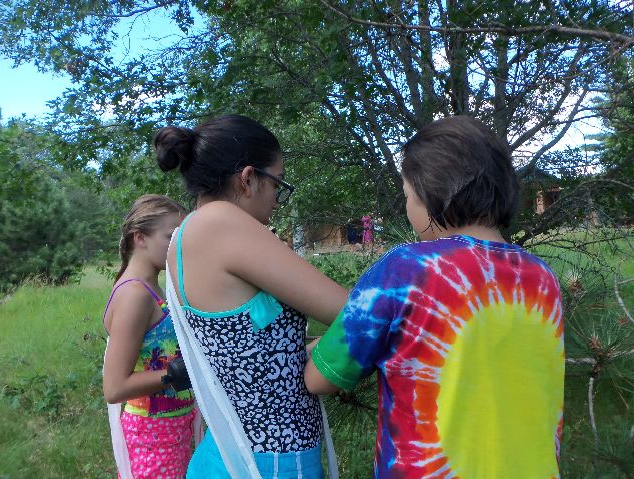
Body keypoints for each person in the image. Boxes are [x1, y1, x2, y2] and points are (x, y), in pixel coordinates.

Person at [305, 116, 565, 479]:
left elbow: (320, 378)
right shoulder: (542, 278)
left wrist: (313, 349)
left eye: (407, 195)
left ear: (432, 193)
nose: (407, 207)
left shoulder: (405, 269)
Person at [154, 114, 348, 478]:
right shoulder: (221, 223)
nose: (276, 201)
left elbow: (246, 359)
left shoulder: (190, 232)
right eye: (277, 183)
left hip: (231, 454)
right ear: (248, 179)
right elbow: (351, 312)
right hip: (271, 461)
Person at [102, 194, 200, 479]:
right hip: (153, 438)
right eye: (171, 237)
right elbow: (115, 387)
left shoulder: (153, 287)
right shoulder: (135, 295)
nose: (178, 246)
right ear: (140, 238)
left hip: (172, 431)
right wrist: (176, 373)